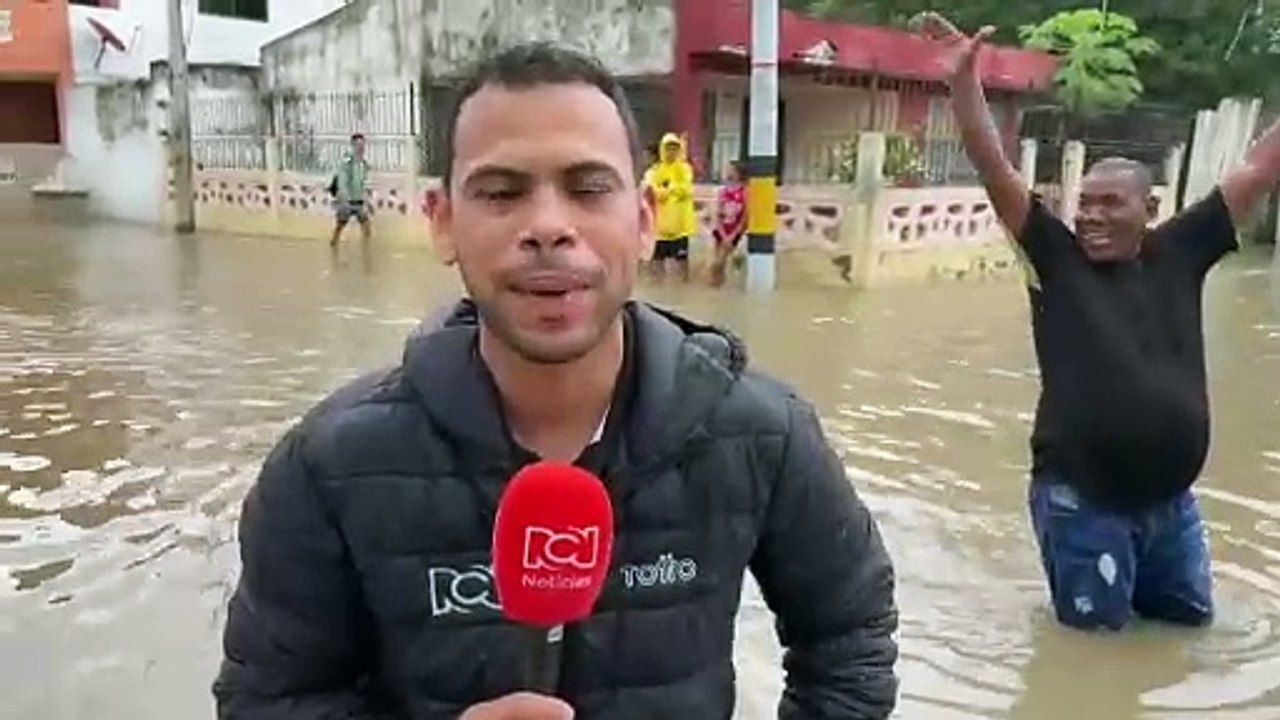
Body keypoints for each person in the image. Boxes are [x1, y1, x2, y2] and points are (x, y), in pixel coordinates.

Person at [213, 42, 898, 720]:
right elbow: (270, 698)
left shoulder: (762, 433)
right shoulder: (329, 465)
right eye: (503, 192)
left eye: (589, 188)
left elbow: (850, 634)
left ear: (642, 221)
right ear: (443, 223)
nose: (547, 226)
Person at [923, 12, 1280, 632]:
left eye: (1109, 203)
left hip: (1172, 508)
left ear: (1150, 208)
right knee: (1094, 652)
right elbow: (995, 171)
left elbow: (1256, 169)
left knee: (1191, 631)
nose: (1090, 215)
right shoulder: (1056, 261)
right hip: (1084, 505)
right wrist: (963, 87)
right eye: (1083, 202)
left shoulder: (1181, 249)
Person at [642, 133, 696, 281]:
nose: (671, 152)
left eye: (674, 148)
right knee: (656, 265)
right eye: (668, 148)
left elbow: (687, 190)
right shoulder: (653, 172)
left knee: (682, 265)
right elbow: (655, 193)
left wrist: (669, 189)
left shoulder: (685, 169)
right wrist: (672, 190)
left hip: (680, 227)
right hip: (659, 227)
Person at [330, 133, 372, 248]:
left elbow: (364, 183)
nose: (361, 147)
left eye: (363, 144)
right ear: (353, 145)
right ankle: (334, 244)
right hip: (347, 201)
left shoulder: (364, 164)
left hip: (359, 201)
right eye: (358, 144)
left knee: (366, 226)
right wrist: (344, 198)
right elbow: (342, 180)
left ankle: (366, 250)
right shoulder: (348, 161)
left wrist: (367, 200)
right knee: (340, 225)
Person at [710, 160, 747, 287]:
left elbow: (745, 217)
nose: (727, 172)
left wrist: (733, 234)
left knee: (720, 262)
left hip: (734, 230)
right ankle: (717, 287)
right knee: (716, 263)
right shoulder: (723, 191)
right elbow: (718, 213)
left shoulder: (744, 192)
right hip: (721, 230)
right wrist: (722, 233)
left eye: (730, 169)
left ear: (738, 173)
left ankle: (719, 286)